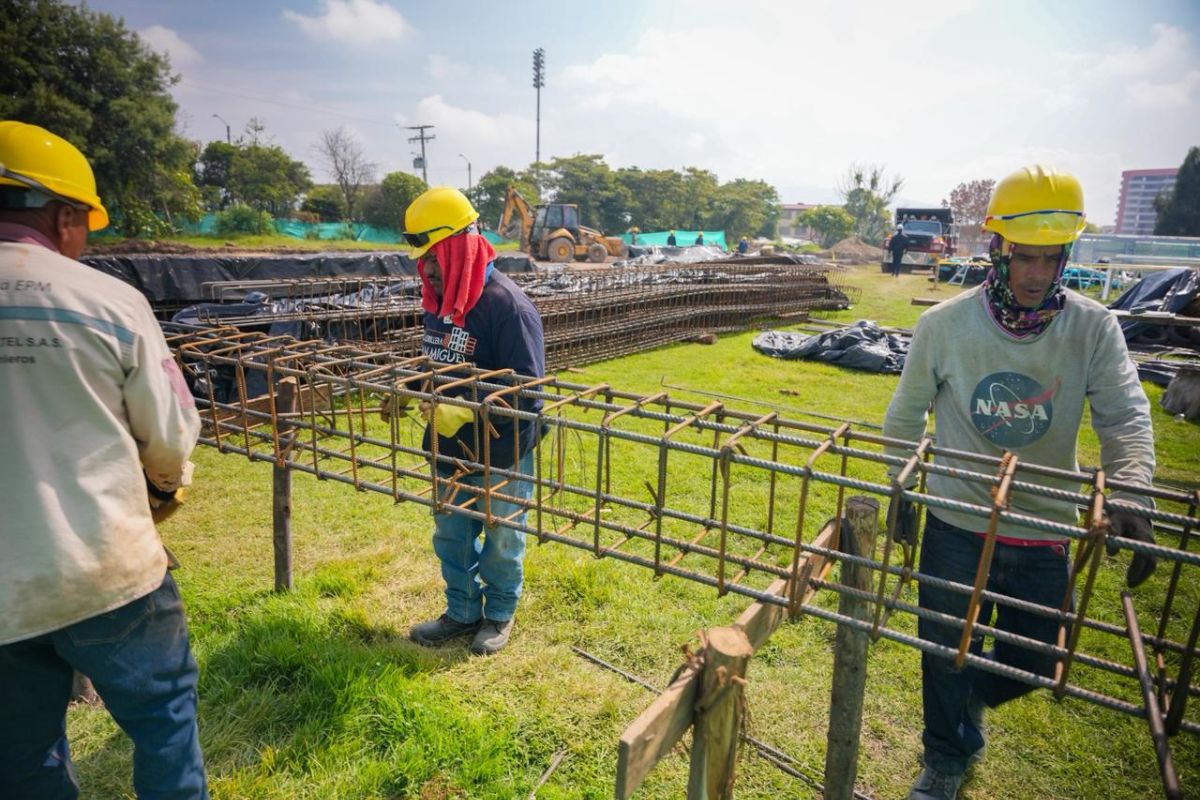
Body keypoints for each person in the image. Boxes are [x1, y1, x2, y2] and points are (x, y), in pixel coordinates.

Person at [883, 165, 1156, 800]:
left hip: (1042, 521)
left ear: (1067, 256)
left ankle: (972, 694)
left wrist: (1131, 493)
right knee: (943, 647)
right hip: (957, 520)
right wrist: (903, 486)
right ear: (998, 251)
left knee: (1038, 657)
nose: (1037, 274)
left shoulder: (1093, 328)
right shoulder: (944, 326)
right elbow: (904, 416)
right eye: (1025, 258)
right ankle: (945, 759)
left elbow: (1123, 414)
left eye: (1051, 258)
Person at [0, 122, 207, 797]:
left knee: (20, 753)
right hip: (104, 569)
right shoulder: (107, 302)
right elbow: (171, 437)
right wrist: (164, 489)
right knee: (163, 721)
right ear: (64, 216)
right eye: (85, 225)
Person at [402, 187, 546, 656]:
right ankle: (462, 612)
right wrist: (415, 386)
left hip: (501, 449)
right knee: (452, 533)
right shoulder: (440, 300)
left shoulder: (508, 307)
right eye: (423, 261)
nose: (427, 270)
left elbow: (529, 391)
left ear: (459, 248)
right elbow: (440, 361)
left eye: (435, 258)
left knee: (502, 534)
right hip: (449, 446)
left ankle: (499, 612)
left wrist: (462, 404)